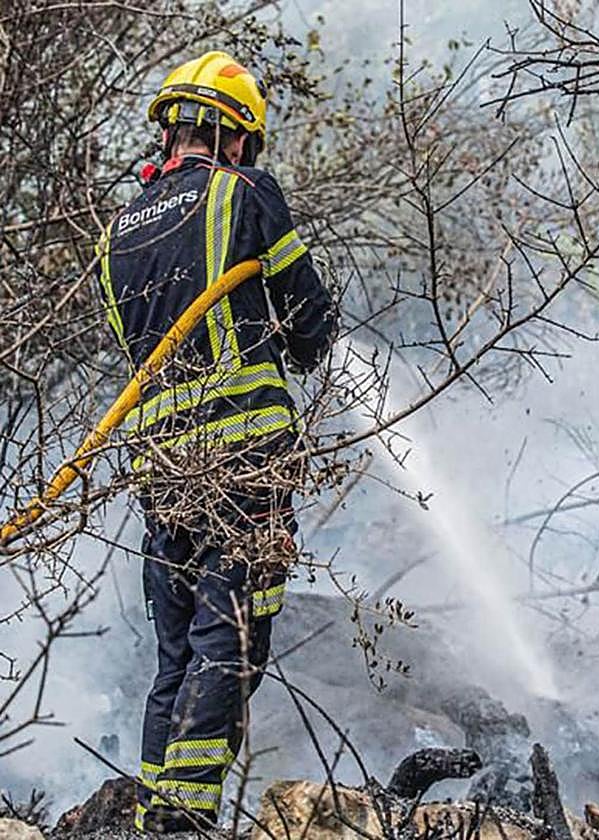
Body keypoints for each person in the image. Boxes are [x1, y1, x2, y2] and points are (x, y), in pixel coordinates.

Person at [93, 51, 337, 832]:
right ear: (236, 137)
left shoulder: (114, 238)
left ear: (171, 130)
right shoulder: (246, 195)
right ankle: (183, 823)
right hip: (245, 466)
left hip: (162, 476)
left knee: (176, 656)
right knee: (229, 644)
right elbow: (311, 329)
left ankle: (152, 817)